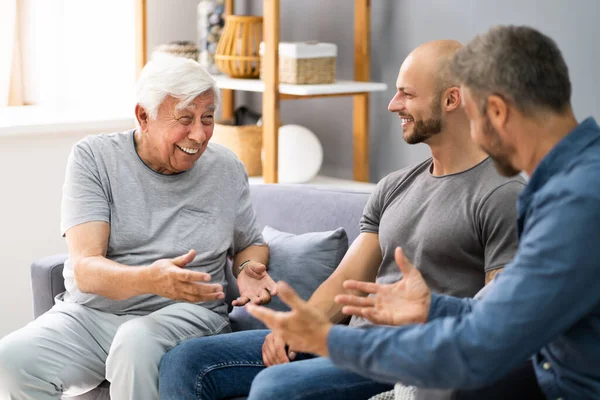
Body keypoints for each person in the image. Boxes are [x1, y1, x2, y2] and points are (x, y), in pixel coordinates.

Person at [158, 40, 526, 400]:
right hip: (350, 343)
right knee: (184, 362)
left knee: (276, 388)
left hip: (411, 356)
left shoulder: (501, 194)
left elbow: (498, 319)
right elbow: (344, 283)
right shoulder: (394, 186)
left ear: (451, 99)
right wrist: (300, 327)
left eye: (407, 94)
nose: (393, 104)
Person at [247, 25, 600, 400]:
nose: (476, 138)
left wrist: (330, 341)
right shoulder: (572, 183)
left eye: (475, 118)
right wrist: (433, 307)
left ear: (496, 111)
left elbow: (480, 347)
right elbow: (502, 318)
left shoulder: (576, 204)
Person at [0, 56, 278, 400]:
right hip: (93, 314)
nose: (199, 134)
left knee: (135, 342)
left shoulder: (225, 167)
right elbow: (86, 270)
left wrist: (248, 267)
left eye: (207, 118)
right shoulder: (95, 158)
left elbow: (249, 242)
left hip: (188, 315)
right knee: (11, 360)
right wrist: (149, 279)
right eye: (185, 119)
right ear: (143, 117)